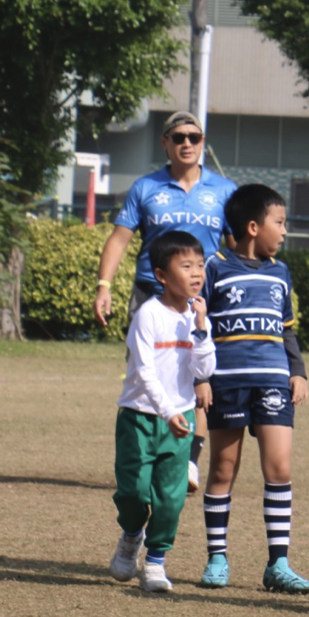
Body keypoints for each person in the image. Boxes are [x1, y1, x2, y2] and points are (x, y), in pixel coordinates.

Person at [95, 111, 237, 494]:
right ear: (165, 143)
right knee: (148, 374)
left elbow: (239, 245)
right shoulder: (145, 188)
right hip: (151, 295)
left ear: (203, 141)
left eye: (194, 136)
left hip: (203, 297)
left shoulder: (224, 190)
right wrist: (104, 285)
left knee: (200, 376)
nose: (186, 143)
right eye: (178, 137)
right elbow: (120, 238)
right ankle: (146, 453)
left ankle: (188, 459)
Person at [195, 184, 309, 594]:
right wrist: (201, 379)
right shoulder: (214, 267)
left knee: (279, 469)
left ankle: (278, 563)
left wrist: (297, 370)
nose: (284, 232)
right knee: (223, 470)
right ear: (251, 226)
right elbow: (198, 328)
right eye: (278, 223)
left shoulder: (280, 272)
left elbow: (287, 329)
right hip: (227, 385)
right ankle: (217, 557)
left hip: (274, 383)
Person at [106, 232, 216, 593]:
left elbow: (206, 368)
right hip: (139, 417)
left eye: (200, 265)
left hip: (179, 420)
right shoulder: (148, 315)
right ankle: (132, 533)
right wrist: (167, 411)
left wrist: (201, 329)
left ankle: (155, 563)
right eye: (186, 266)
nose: (196, 273)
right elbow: (144, 371)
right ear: (162, 275)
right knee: (134, 493)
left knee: (170, 498)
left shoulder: (197, 316)